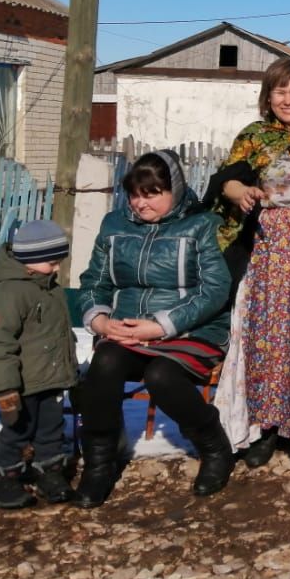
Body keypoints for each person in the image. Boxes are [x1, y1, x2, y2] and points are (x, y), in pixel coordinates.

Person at [74, 151, 234, 507]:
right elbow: (93, 283)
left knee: (162, 375)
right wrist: (99, 320)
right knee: (105, 363)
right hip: (128, 330)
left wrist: (160, 326)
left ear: (174, 191)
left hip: (191, 330)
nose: (140, 203)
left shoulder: (202, 225)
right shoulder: (115, 225)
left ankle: (214, 447)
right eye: (135, 193)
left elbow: (214, 290)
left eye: (152, 193)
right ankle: (99, 463)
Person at [207, 57, 290, 467]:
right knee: (265, 340)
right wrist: (239, 193)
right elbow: (228, 176)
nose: (287, 98)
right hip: (266, 252)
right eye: (279, 91)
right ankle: (265, 426)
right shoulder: (254, 136)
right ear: (268, 97)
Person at [0, 222, 75, 508]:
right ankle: (4, 477)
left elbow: (59, 334)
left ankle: (48, 471)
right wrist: (6, 388)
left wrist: (69, 372)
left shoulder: (48, 288)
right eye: (52, 261)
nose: (57, 268)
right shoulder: (8, 293)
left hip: (50, 378)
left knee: (51, 428)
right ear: (29, 259)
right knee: (17, 430)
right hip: (21, 382)